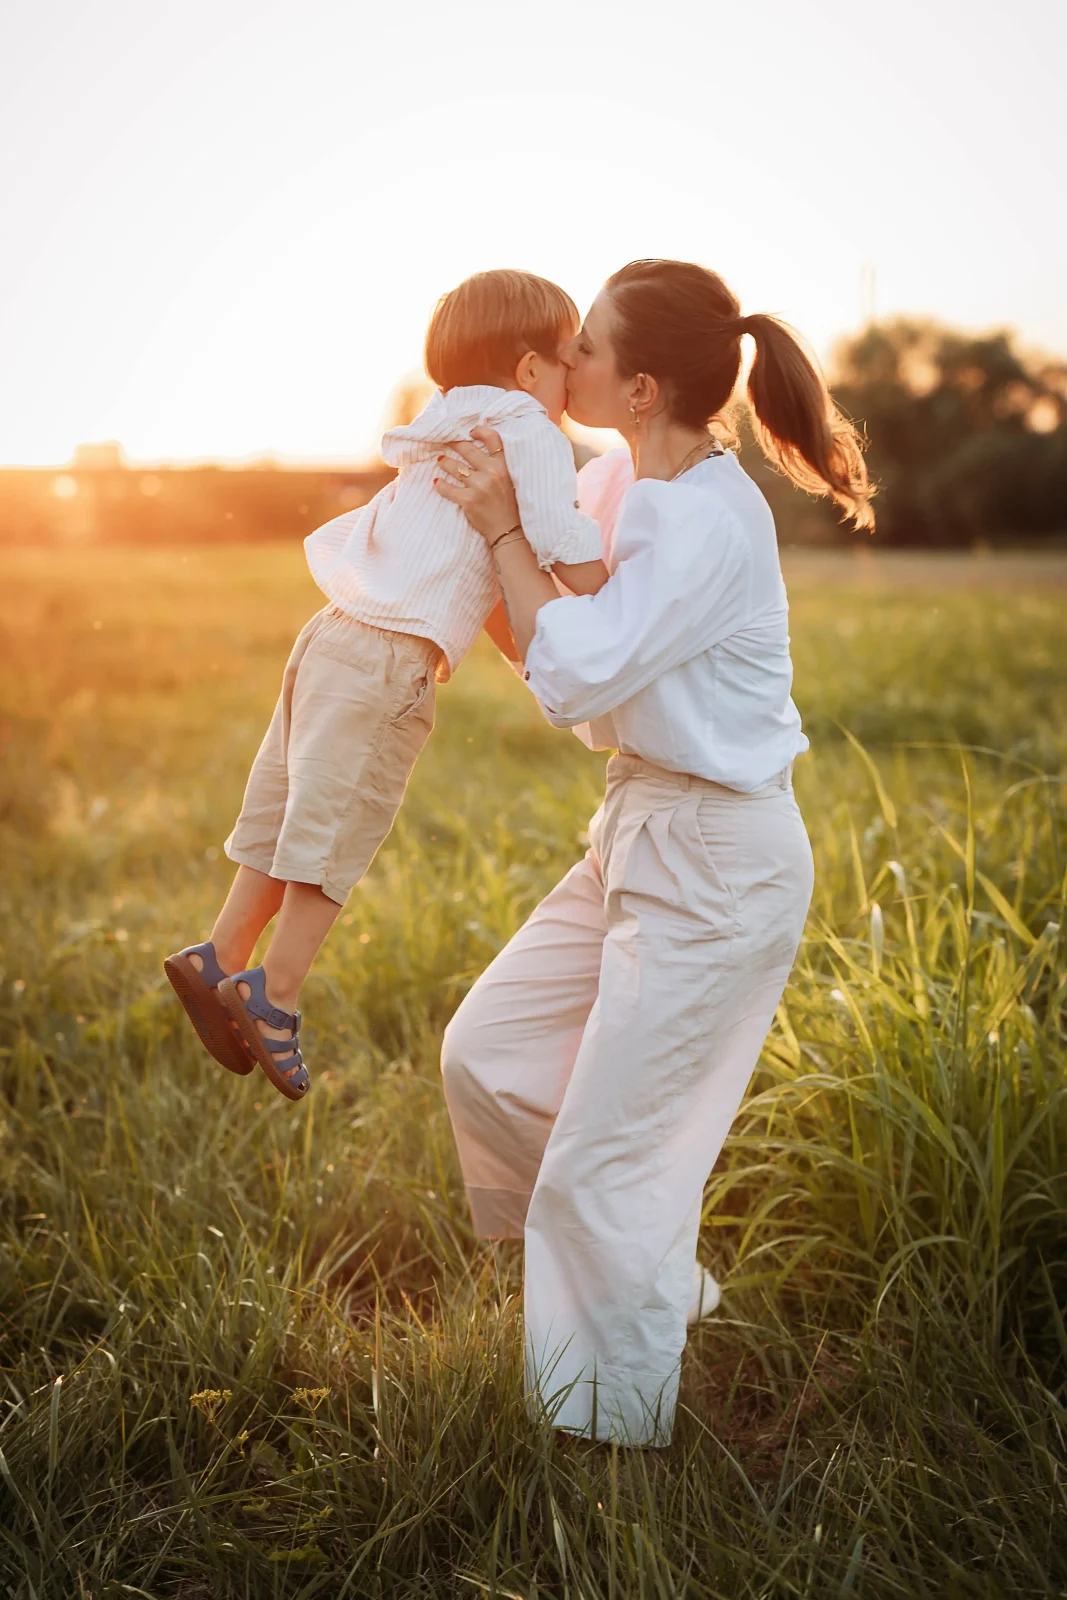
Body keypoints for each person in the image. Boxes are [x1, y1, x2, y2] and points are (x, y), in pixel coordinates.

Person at [435, 258, 873, 1448]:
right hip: (636, 827)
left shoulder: (711, 522)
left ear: (637, 386)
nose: (558, 357)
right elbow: (576, 686)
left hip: (719, 867)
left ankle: (605, 1447)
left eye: (583, 346)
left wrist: (498, 535)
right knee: (486, 1052)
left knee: (600, 1170)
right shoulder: (622, 472)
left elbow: (574, 665)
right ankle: (649, 1277)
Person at [164, 270, 607, 1101]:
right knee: (337, 831)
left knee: (289, 810)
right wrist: (609, 577)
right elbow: (559, 544)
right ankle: (275, 993)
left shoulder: (444, 419)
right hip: (390, 660)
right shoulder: (531, 433)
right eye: (564, 359)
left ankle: (220, 952)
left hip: (328, 637)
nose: (572, 378)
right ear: (526, 371)